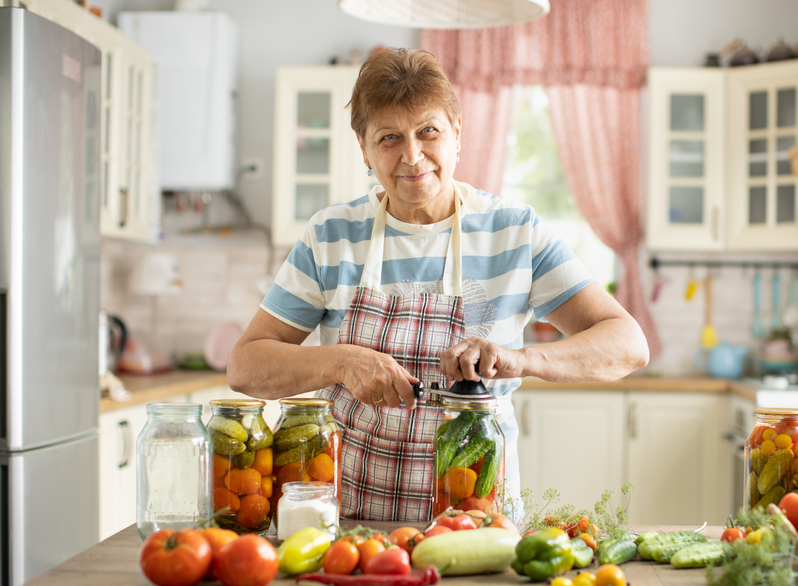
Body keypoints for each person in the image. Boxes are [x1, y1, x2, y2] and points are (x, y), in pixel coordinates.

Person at [228, 47, 648, 522]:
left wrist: (520, 360)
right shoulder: (331, 235)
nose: (412, 155)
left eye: (428, 131)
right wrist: (339, 362)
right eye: (389, 137)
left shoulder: (516, 232)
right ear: (364, 150)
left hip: (478, 518)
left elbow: (628, 343)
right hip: (352, 525)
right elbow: (245, 366)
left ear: (457, 134)